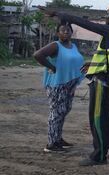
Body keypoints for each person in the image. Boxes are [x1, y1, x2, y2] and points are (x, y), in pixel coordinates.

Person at [41, 2, 109, 166]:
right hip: (106, 77)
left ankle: (99, 155)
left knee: (97, 118)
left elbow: (88, 25)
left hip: (102, 81)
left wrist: (61, 14)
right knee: (104, 116)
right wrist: (94, 64)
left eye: (108, 13)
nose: (106, 16)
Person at [33, 22, 85, 153]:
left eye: (68, 30)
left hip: (69, 83)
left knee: (64, 110)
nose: (66, 32)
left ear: (71, 32)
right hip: (57, 84)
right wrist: (52, 67)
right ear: (58, 33)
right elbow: (37, 55)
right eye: (63, 30)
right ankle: (51, 144)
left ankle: (58, 138)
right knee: (56, 112)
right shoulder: (55, 46)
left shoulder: (73, 46)